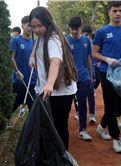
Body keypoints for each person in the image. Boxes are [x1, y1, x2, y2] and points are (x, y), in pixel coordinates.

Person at [29, 6, 78, 151]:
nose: (37, 30)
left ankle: (62, 158)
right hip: (48, 91)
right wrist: (32, 58)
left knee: (59, 128)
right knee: (48, 127)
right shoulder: (42, 37)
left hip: (59, 93)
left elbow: (55, 62)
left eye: (40, 25)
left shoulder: (53, 39)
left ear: (48, 22)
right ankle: (51, 157)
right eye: (33, 27)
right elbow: (37, 45)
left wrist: (49, 83)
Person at [92, 0, 121, 153]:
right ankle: (116, 138)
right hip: (106, 72)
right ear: (109, 12)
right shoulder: (101, 32)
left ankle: (102, 126)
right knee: (110, 105)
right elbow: (94, 53)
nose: (118, 14)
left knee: (118, 104)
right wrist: (107, 59)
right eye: (115, 11)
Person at [7, 16, 37, 129]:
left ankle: (30, 128)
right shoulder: (16, 40)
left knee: (32, 105)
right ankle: (7, 118)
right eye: (29, 25)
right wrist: (17, 72)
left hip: (32, 80)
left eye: (32, 26)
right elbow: (11, 57)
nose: (31, 28)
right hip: (19, 79)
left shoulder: (35, 41)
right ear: (22, 26)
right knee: (15, 102)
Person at [66, 16, 93, 141]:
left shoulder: (86, 41)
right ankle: (62, 129)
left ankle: (82, 130)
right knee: (66, 104)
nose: (74, 32)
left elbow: (88, 58)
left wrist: (91, 76)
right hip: (69, 79)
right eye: (72, 29)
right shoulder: (65, 41)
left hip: (83, 78)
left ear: (81, 28)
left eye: (76, 29)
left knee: (82, 103)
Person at [81, 25, 97, 123]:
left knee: (91, 93)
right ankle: (79, 112)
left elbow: (92, 58)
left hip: (91, 72)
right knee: (79, 96)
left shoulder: (91, 44)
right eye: (86, 35)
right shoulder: (78, 42)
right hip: (80, 75)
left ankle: (92, 114)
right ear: (82, 33)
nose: (88, 37)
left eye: (90, 36)